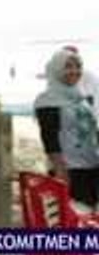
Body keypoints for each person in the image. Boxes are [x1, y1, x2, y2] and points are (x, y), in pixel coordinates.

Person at [34, 49, 99, 207]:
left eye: (78, 66)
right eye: (68, 66)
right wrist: (60, 172)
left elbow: (91, 130)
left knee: (89, 217)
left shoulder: (80, 98)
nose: (75, 71)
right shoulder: (47, 100)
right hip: (69, 170)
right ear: (56, 69)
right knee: (72, 217)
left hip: (91, 166)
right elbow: (50, 140)